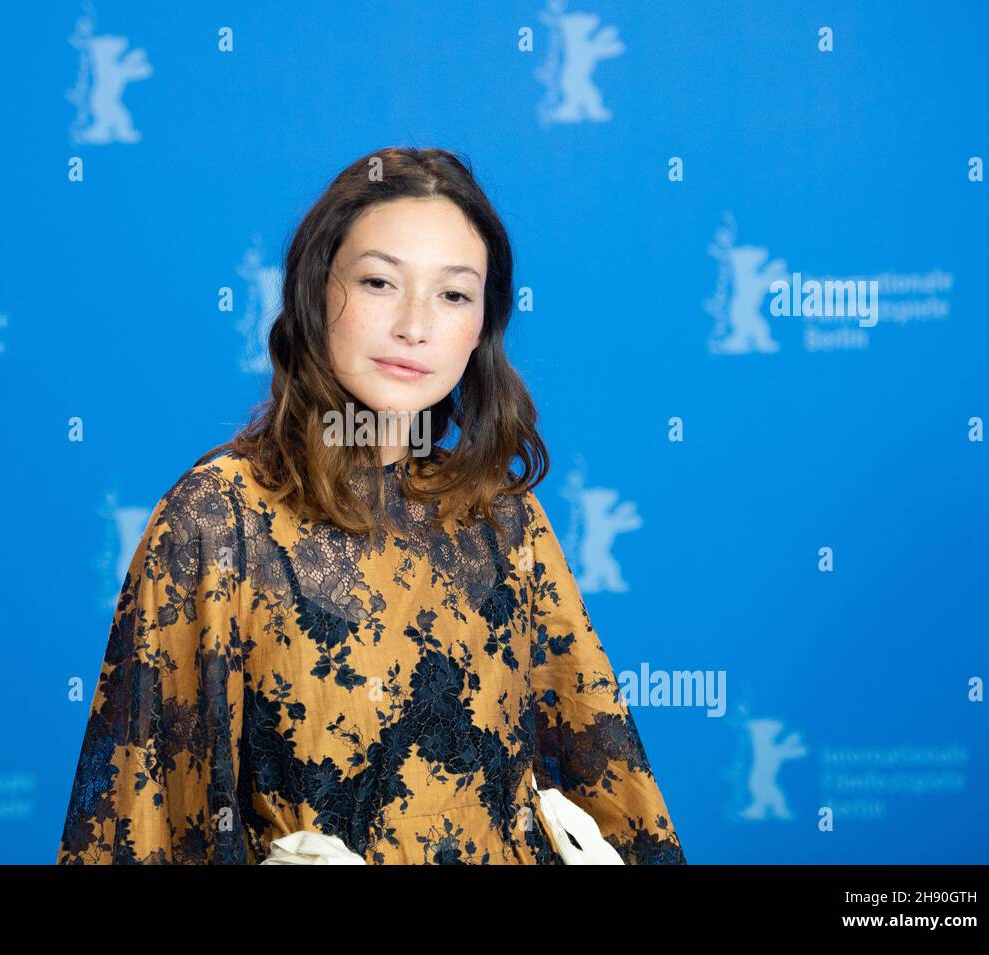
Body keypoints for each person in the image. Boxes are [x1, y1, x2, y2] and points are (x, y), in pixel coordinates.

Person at [56, 147, 686, 865]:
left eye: (453, 294)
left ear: (483, 325)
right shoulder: (217, 518)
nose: (415, 325)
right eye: (381, 281)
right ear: (316, 294)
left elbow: (610, 792)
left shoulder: (505, 521)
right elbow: (141, 819)